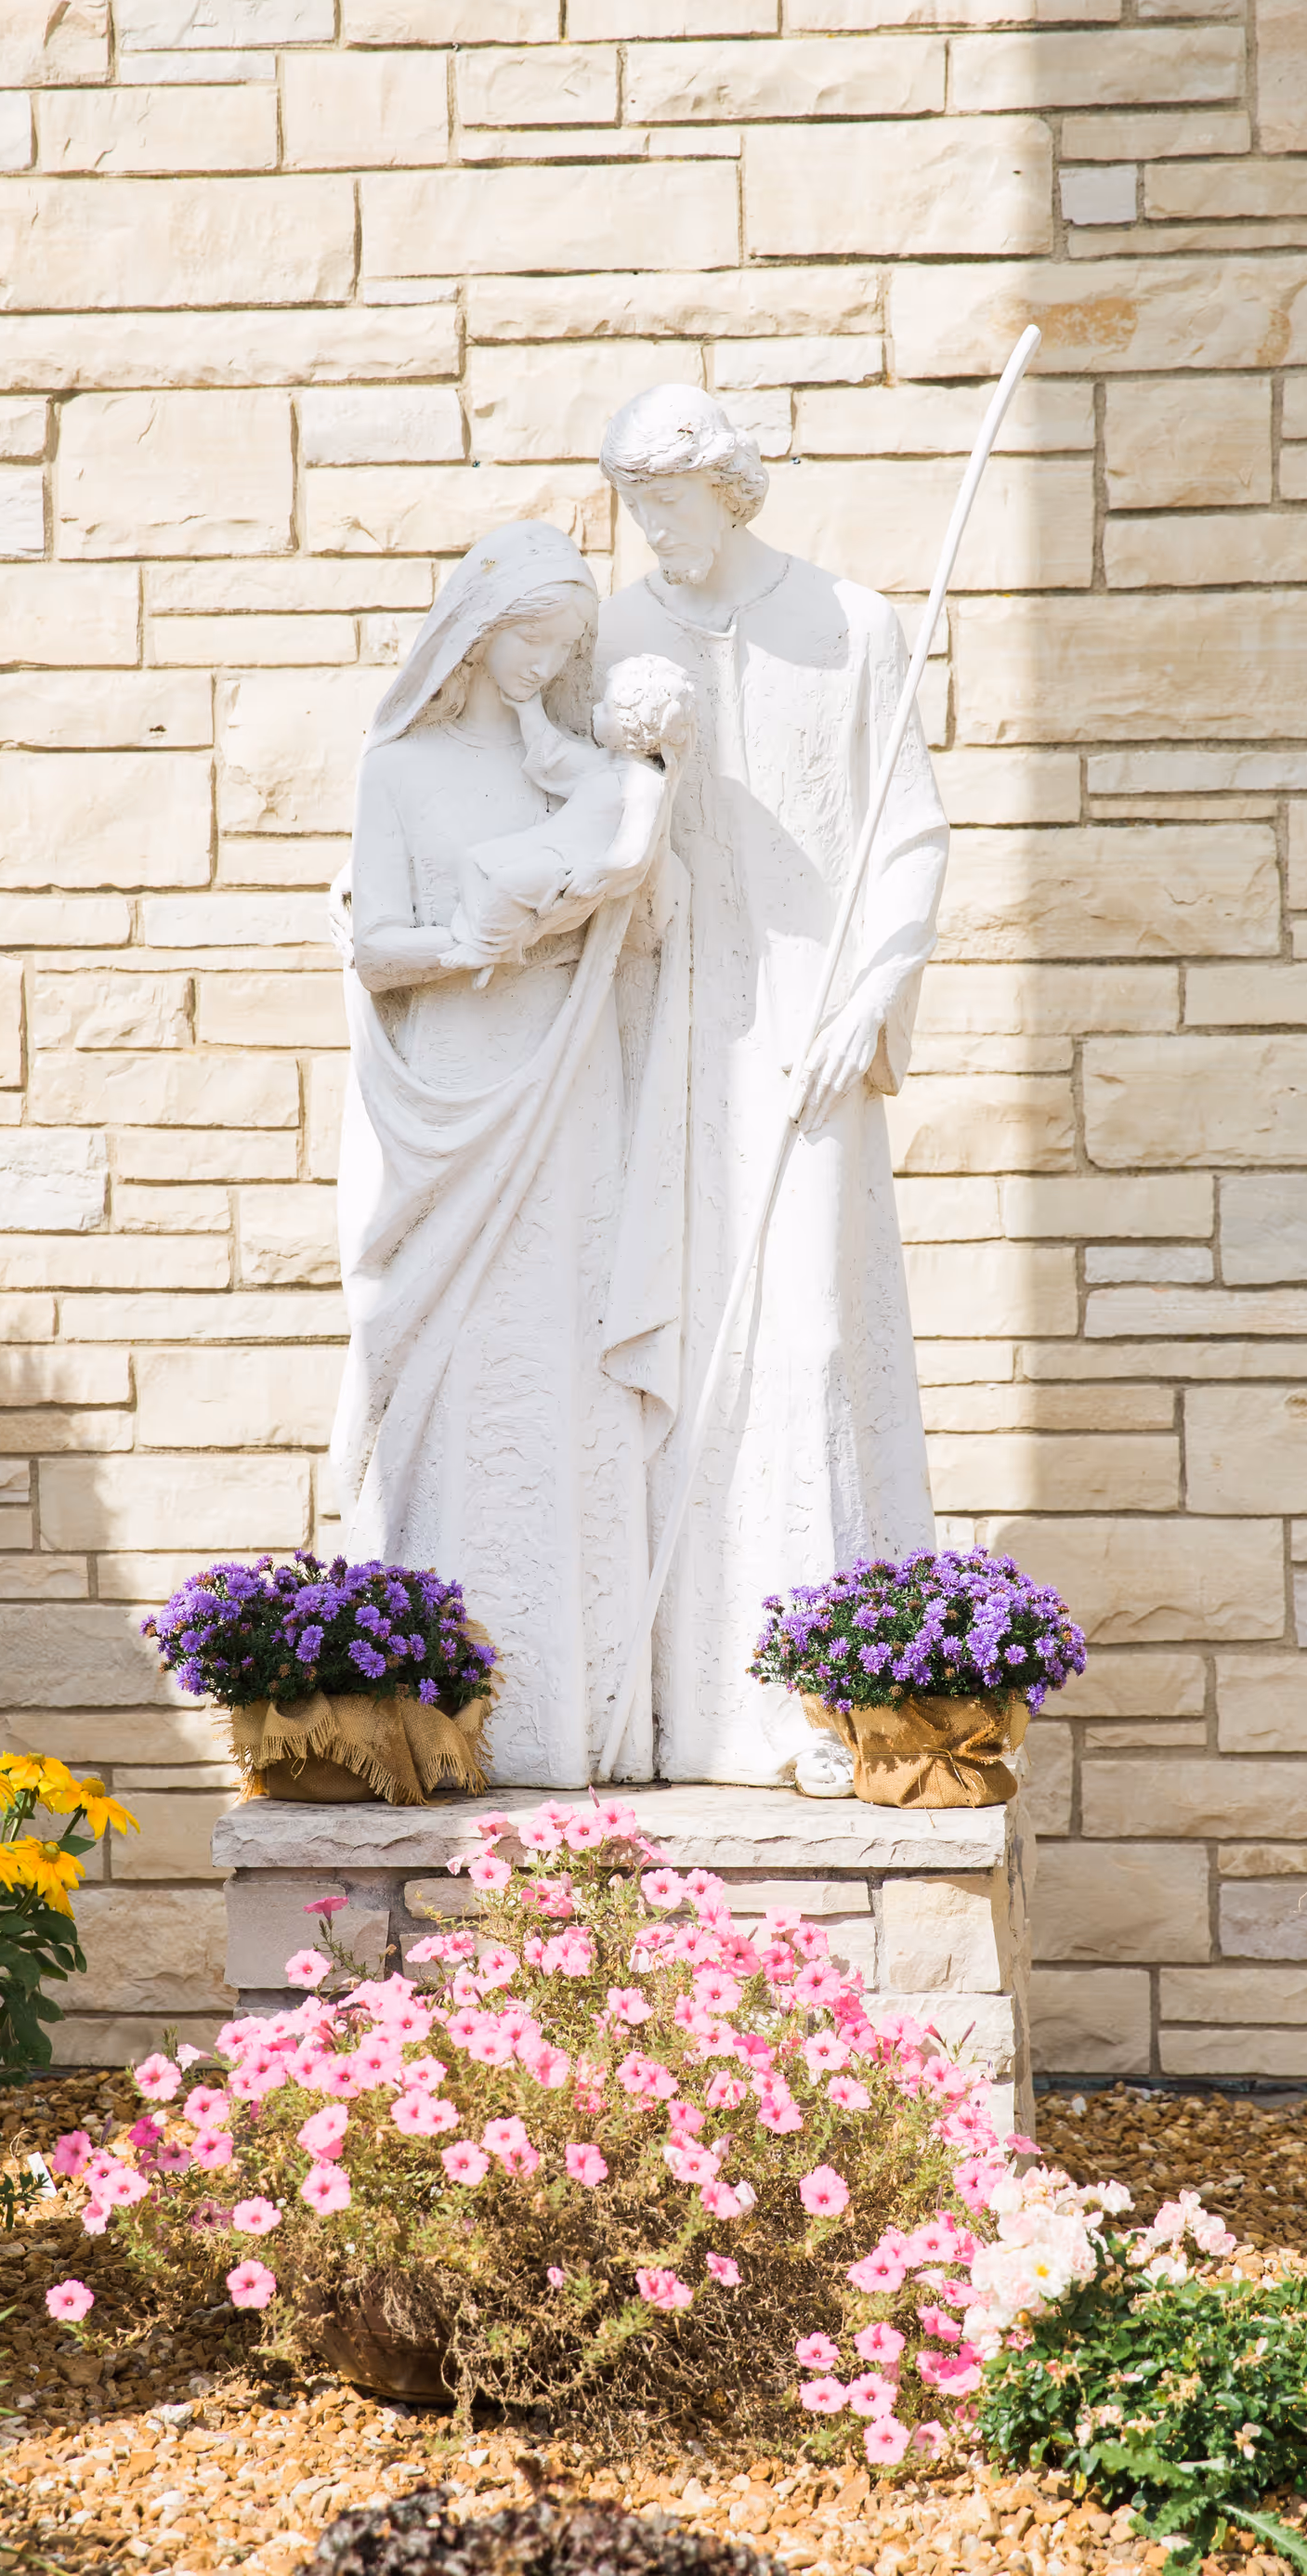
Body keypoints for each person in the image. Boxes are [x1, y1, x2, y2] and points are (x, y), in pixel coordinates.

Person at [596, 383, 950, 1792]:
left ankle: (821, 1700)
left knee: (806, 1334)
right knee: (671, 1352)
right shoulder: (614, 636)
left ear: (731, 489)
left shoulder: (853, 626)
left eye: (671, 501)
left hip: (810, 1026)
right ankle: (675, 1704)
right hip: (665, 1037)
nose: (652, 530)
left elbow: (912, 833)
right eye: (634, 504)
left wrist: (870, 992)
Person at [329, 521, 690, 1786]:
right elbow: (376, 947)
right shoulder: (402, 771)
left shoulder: (579, 771)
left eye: (568, 645)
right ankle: (426, 1687)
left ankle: (578, 1702)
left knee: (565, 1348)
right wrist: (496, 941)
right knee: (456, 1356)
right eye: (532, 638)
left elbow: (646, 939)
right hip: (456, 1087)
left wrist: (623, 851)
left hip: (570, 1082)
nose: (548, 663)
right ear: (477, 634)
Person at [440, 654, 696, 984]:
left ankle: (487, 947)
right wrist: (527, 707)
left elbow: (635, 851)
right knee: (471, 860)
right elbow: (554, 758)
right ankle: (488, 939)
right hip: (545, 842)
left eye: (604, 709)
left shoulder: (646, 783)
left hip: (570, 867)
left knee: (505, 885)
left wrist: (597, 871)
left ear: (633, 727)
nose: (594, 711)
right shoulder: (604, 764)